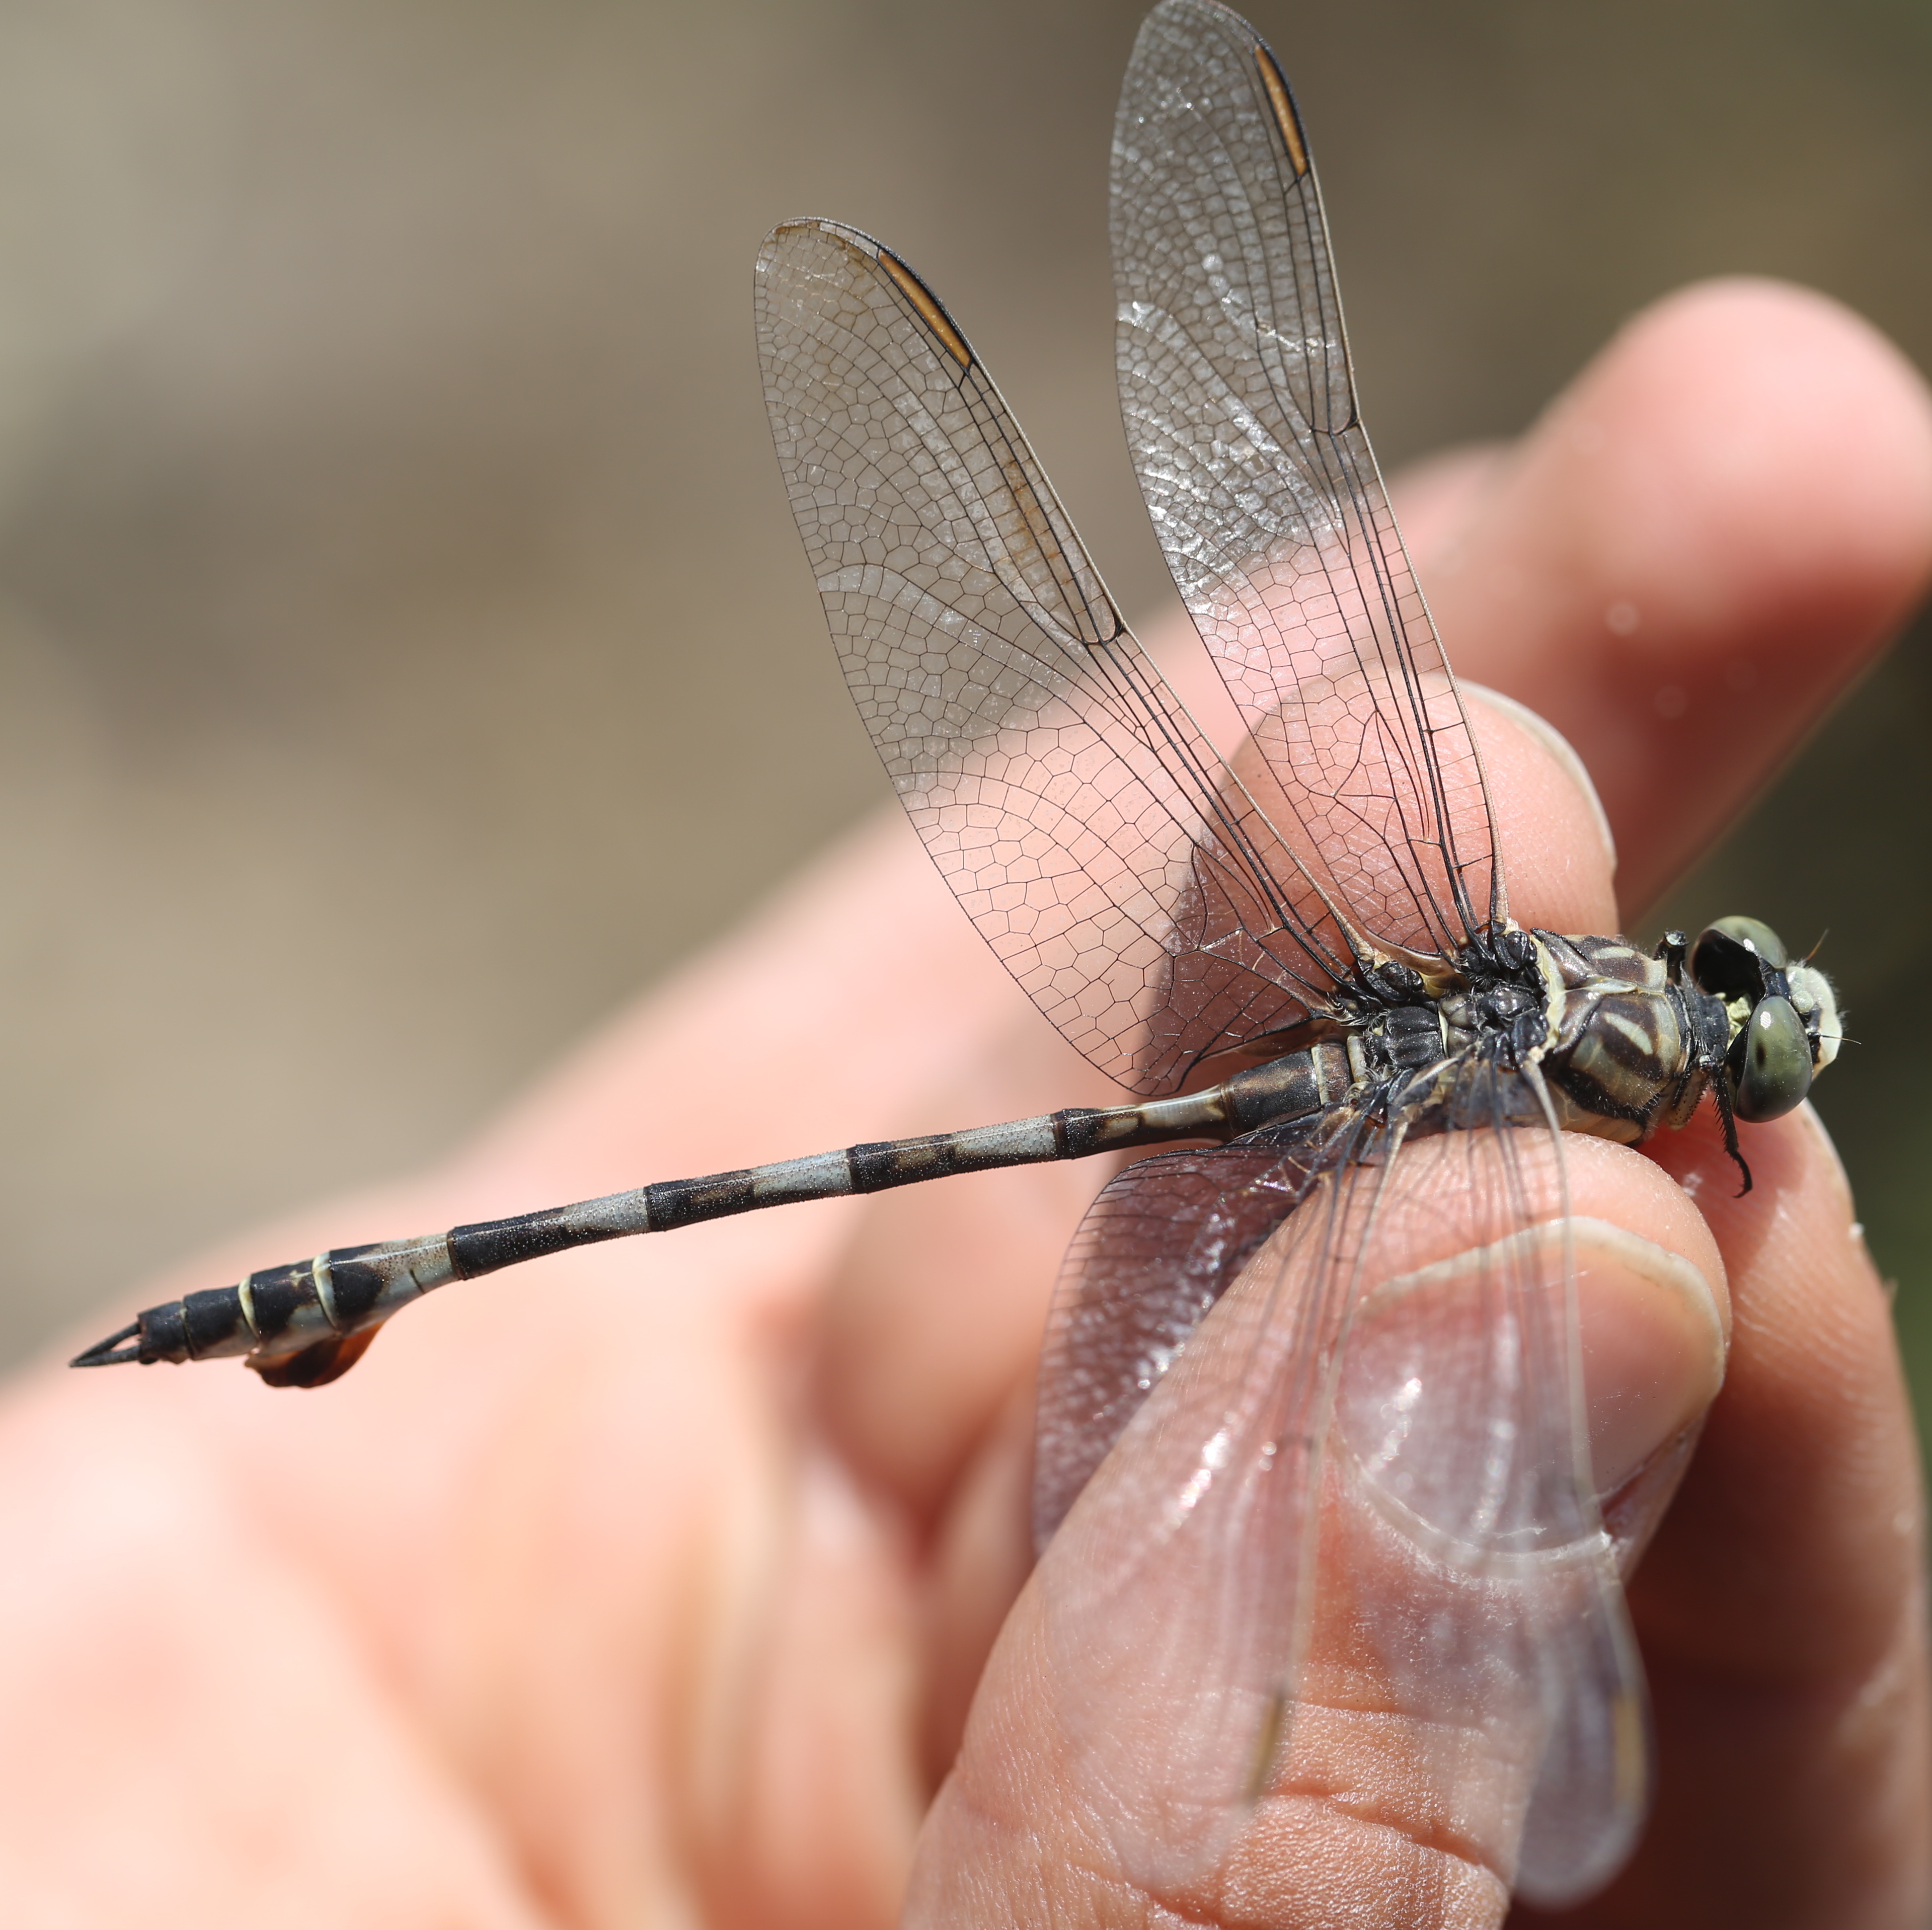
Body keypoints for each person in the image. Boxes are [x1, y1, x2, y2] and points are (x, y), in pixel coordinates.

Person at [4, 276, 1927, 1929]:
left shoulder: (1522, 1032)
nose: (1730, 1011)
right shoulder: (1556, 1153)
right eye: (1736, 1006)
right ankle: (385, 1281)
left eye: (1733, 1022)